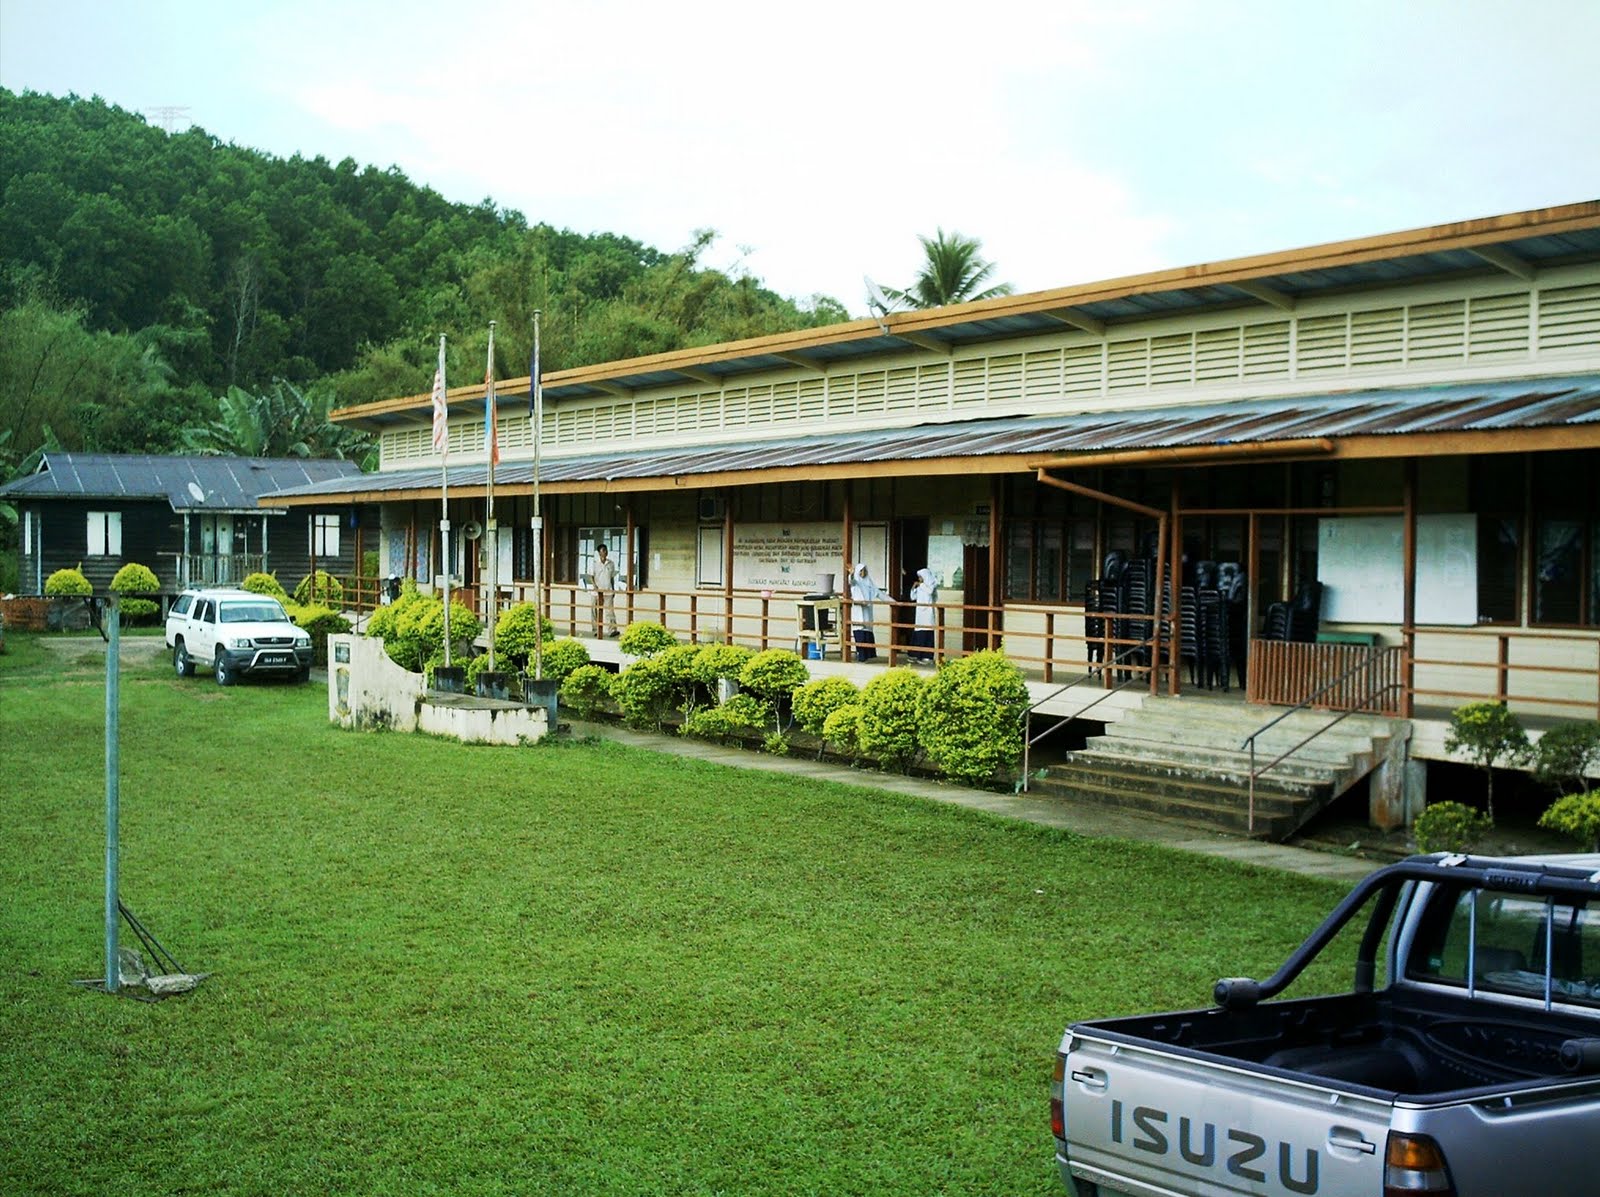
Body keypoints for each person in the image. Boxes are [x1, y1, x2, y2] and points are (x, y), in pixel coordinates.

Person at [848, 563, 882, 662]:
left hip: (867, 611)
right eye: (861, 571)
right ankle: (861, 656)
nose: (863, 573)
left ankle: (868, 656)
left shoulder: (868, 582)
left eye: (864, 571)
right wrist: (852, 573)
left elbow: (878, 593)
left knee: (867, 633)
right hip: (858, 611)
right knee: (860, 633)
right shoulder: (856, 582)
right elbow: (851, 581)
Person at [591, 543, 620, 637]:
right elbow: (591, 576)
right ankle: (596, 629)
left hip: (608, 590)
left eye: (606, 550)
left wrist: (613, 588)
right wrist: (595, 586)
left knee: (609, 611)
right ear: (599, 553)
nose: (605, 552)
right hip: (597, 592)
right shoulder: (595, 563)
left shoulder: (611, 563)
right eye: (603, 550)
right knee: (595, 610)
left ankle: (612, 629)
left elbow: (612, 577)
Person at [909, 567, 937, 663]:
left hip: (928, 614)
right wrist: (913, 587)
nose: (919, 579)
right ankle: (917, 655)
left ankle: (928, 656)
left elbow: (930, 592)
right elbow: (913, 597)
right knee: (919, 633)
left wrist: (921, 585)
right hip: (920, 613)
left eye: (921, 577)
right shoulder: (920, 587)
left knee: (927, 633)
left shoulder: (931, 585)